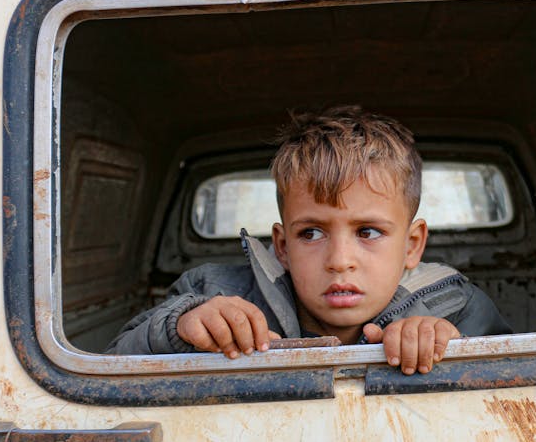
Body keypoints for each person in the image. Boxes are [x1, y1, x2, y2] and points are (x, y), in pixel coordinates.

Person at [105, 106, 512, 374]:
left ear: (412, 245)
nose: (339, 260)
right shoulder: (213, 292)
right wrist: (183, 326)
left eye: (368, 232)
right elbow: (114, 363)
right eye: (311, 233)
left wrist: (452, 349)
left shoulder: (454, 306)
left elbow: (515, 389)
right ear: (281, 246)